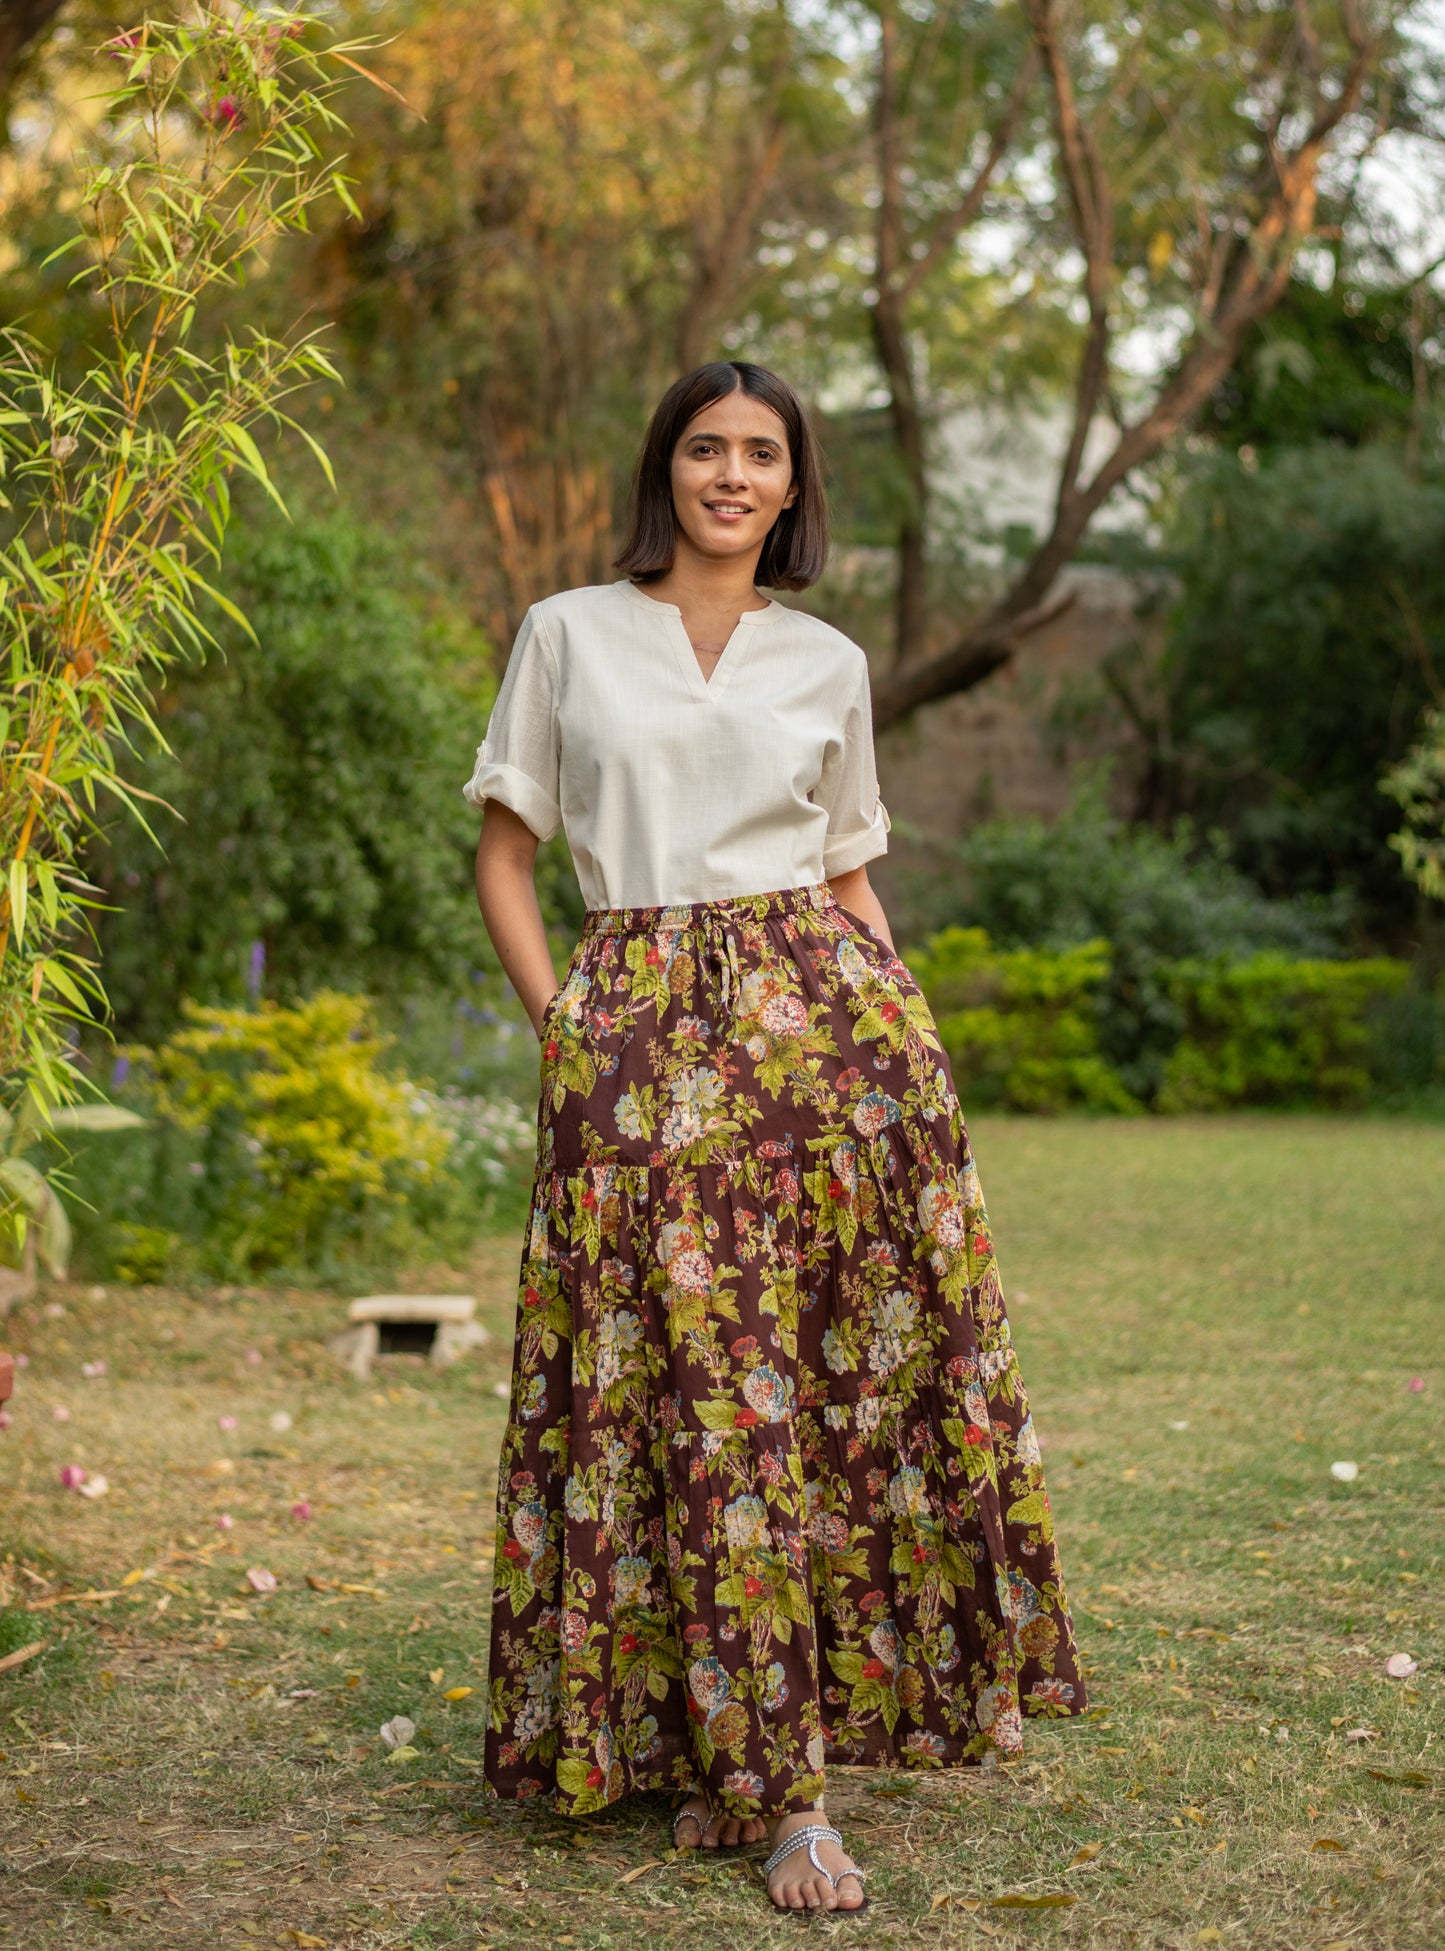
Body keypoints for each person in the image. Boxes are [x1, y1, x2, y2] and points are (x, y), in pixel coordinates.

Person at [467, 361, 1085, 1915]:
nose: (730, 475)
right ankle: (715, 1749)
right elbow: (505, 856)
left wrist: (909, 1046)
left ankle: (794, 1783)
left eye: (760, 452)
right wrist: (567, 1031)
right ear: (663, 468)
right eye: (704, 448)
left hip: (824, 1043)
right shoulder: (565, 632)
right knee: (670, 1391)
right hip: (638, 1047)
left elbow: (847, 879)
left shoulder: (826, 660)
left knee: (814, 1390)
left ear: (794, 484)